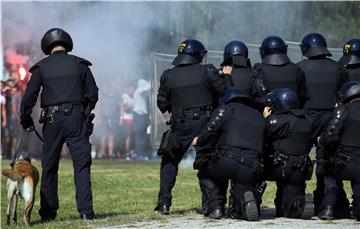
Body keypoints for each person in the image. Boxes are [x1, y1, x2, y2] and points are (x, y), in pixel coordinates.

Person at [20, 28, 98, 221]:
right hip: (76, 120)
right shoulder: (80, 64)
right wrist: (84, 113)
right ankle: (86, 212)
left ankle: (48, 213)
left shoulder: (41, 67)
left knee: (49, 167)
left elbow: (29, 97)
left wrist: (26, 120)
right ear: (67, 43)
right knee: (81, 166)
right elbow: (93, 93)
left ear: (47, 46)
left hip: (52, 121)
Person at [155, 39, 230, 215]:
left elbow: (162, 104)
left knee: (169, 161)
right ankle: (212, 206)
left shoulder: (168, 75)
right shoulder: (207, 71)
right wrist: (225, 77)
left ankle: (164, 203)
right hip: (206, 123)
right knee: (208, 163)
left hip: (180, 124)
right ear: (198, 54)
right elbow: (224, 92)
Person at [297, 32, 349, 219]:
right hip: (330, 118)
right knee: (327, 163)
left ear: (305, 49)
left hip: (306, 117)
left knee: (298, 159)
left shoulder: (299, 68)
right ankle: (328, 205)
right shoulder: (338, 68)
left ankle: (296, 201)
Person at [192, 87, 265, 220]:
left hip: (226, 161)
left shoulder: (226, 109)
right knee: (242, 193)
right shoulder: (259, 116)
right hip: (250, 168)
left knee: (204, 169)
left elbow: (210, 130)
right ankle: (243, 206)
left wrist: (198, 140)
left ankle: (216, 207)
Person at [263, 88, 314, 219]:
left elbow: (265, 135)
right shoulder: (308, 120)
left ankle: (249, 202)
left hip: (279, 167)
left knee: (250, 172)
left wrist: (266, 119)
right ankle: (299, 203)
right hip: (301, 167)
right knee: (291, 204)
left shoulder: (278, 120)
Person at [318, 81, 360, 221]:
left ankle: (329, 208)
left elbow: (330, 135)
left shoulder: (343, 110)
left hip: (344, 162)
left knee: (329, 171)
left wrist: (321, 140)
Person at [254, 36, 308, 108]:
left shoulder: (259, 71)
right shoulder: (296, 69)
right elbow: (303, 96)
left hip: (267, 114)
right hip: (293, 114)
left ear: (263, 51)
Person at [132, 79, 151, 159]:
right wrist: (152, 81)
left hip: (141, 116)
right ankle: (139, 154)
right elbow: (149, 87)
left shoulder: (140, 92)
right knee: (139, 136)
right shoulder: (138, 90)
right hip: (139, 116)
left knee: (142, 136)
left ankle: (141, 153)